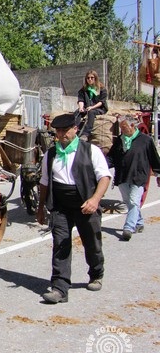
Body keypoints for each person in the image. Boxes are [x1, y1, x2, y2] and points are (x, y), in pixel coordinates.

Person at [36, 113, 110, 304]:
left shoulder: (91, 150)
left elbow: (104, 177)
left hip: (86, 204)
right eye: (58, 131)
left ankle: (96, 273)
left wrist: (95, 199)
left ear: (75, 129)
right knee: (61, 244)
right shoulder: (50, 154)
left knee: (92, 243)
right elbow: (45, 181)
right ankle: (60, 288)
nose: (62, 135)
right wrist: (41, 207)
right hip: (61, 206)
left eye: (65, 130)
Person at [109, 114, 160, 241]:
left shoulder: (145, 140)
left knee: (133, 201)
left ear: (132, 125)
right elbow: (111, 157)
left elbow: (154, 158)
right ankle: (139, 222)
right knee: (129, 201)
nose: (121, 130)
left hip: (139, 175)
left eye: (123, 127)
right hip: (122, 175)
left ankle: (128, 228)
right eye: (120, 128)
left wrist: (158, 174)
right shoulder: (119, 140)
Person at [77, 69, 108, 141]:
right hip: (87, 107)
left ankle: (85, 134)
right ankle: (74, 130)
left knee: (91, 112)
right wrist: (81, 108)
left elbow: (101, 102)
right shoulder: (83, 90)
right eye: (88, 78)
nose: (90, 79)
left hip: (99, 108)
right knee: (77, 113)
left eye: (92, 77)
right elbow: (81, 100)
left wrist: (92, 107)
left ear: (95, 78)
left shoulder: (102, 89)